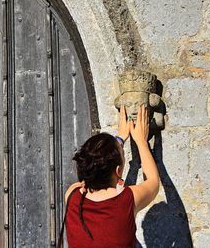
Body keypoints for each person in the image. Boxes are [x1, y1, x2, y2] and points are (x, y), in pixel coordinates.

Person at [62, 104, 160, 247]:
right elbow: (153, 182)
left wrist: (119, 139)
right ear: (118, 170)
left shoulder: (72, 195)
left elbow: (85, 178)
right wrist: (141, 141)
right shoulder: (128, 199)